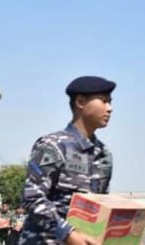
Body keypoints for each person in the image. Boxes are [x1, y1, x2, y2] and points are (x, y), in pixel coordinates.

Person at [19, 76, 115, 245]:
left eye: (110, 102)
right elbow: (32, 197)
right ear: (80, 102)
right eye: (104, 101)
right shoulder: (53, 146)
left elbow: (101, 207)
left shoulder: (104, 155)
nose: (110, 108)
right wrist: (67, 233)